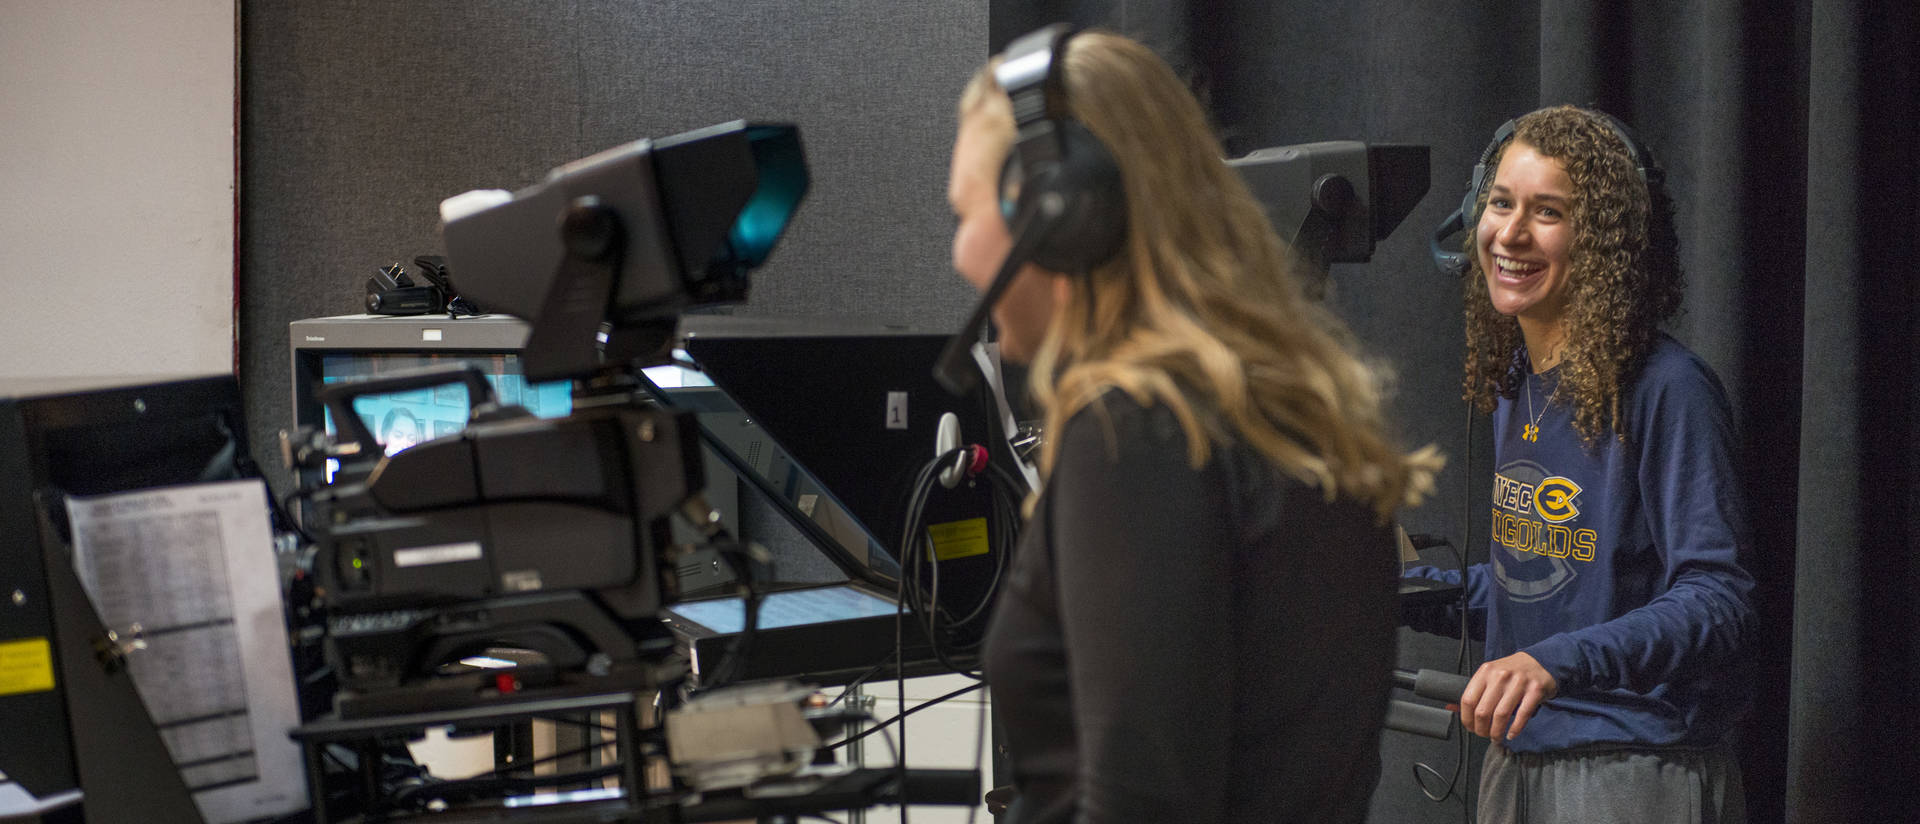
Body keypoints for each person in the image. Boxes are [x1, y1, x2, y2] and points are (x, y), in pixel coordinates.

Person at [954, 28, 1441, 823]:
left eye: (967, 212)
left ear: (1063, 214)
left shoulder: (1141, 430)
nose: (960, 252)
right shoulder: (1293, 403)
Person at [1404, 105, 1758, 823]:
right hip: (1517, 764)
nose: (1511, 233)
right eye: (1501, 203)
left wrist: (1556, 663)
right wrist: (1398, 586)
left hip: (1632, 769)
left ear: (1603, 242)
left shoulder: (1669, 389)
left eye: (1548, 212)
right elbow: (1545, 587)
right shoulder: (1517, 388)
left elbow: (1721, 600)